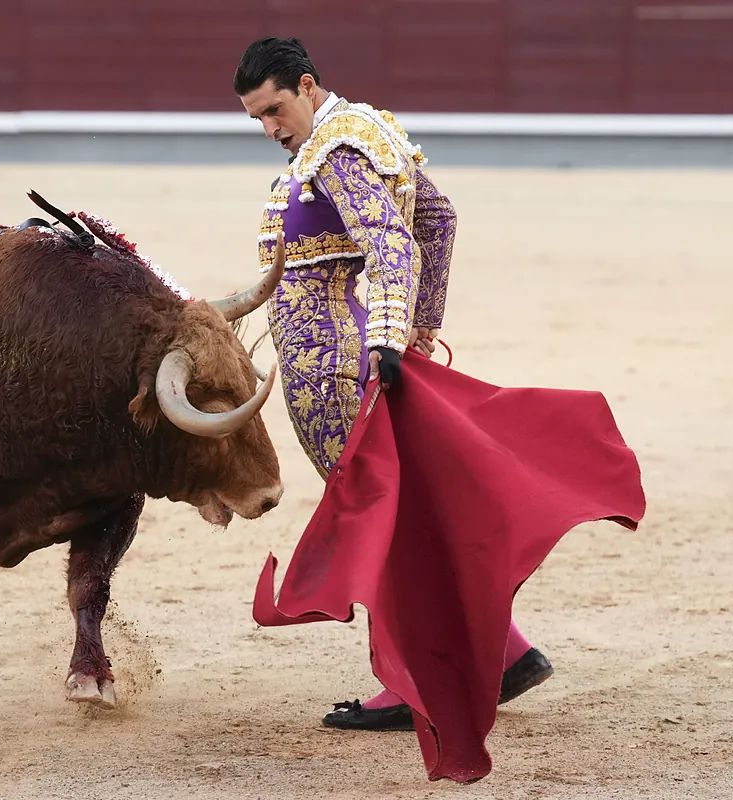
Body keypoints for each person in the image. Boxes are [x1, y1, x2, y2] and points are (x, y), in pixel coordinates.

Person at [233, 36, 554, 732]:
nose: (269, 129)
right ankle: (504, 652)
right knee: (394, 513)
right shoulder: (367, 130)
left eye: (275, 109)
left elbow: (394, 244)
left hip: (331, 357)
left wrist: (387, 335)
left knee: (374, 519)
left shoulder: (333, 149)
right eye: (256, 118)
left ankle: (412, 684)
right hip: (353, 345)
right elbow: (437, 220)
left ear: (309, 86)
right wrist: (417, 325)